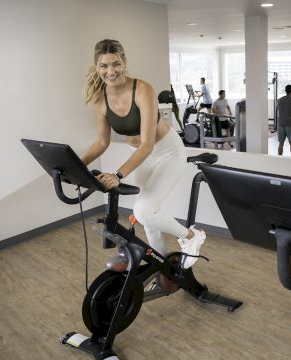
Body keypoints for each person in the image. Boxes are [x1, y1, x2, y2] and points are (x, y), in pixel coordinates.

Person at [80, 39, 206, 269]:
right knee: (148, 214)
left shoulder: (143, 90)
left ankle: (192, 236)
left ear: (124, 63)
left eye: (116, 64)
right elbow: (101, 142)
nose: (111, 71)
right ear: (97, 67)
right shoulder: (100, 99)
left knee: (144, 210)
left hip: (166, 150)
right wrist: (76, 166)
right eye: (104, 66)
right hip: (140, 154)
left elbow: (147, 144)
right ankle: (164, 264)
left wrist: (117, 175)